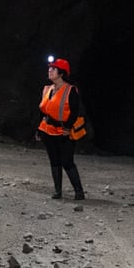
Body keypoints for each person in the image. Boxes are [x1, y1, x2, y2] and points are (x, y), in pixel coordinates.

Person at [35, 57, 86, 200]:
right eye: (50, 68)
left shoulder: (71, 91)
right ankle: (58, 191)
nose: (50, 70)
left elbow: (75, 111)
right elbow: (42, 111)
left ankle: (79, 192)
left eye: (53, 69)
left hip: (64, 131)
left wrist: (68, 128)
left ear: (61, 73)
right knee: (54, 160)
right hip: (48, 129)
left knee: (66, 161)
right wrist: (39, 129)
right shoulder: (47, 89)